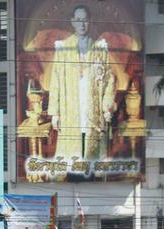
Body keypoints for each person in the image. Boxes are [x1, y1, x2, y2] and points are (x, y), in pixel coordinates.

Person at [46, 3, 116, 167]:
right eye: (78, 20)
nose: (82, 24)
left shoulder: (99, 48)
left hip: (92, 105)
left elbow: (109, 80)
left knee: (92, 152)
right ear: (72, 22)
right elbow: (55, 80)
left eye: (85, 20)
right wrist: (55, 113)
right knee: (72, 154)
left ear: (89, 21)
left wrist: (107, 107)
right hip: (70, 106)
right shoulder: (63, 47)